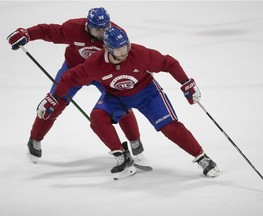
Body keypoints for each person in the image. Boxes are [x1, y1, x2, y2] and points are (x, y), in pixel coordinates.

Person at [35, 26, 221, 180]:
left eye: (125, 46)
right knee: (97, 118)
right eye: (119, 49)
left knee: (169, 127)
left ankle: (202, 158)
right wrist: (53, 97)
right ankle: (122, 157)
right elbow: (69, 78)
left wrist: (186, 83)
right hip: (116, 97)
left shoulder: (139, 54)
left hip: (147, 93)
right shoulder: (95, 63)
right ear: (108, 48)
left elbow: (168, 63)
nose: (124, 52)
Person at [7, 8, 144, 163]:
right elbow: (48, 31)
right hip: (73, 72)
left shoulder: (115, 34)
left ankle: (134, 139)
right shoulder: (73, 28)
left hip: (102, 74)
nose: (102, 33)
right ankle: (35, 139)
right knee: (53, 103)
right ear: (88, 25)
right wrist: (28, 34)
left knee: (121, 102)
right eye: (98, 29)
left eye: (105, 28)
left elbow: (126, 56)